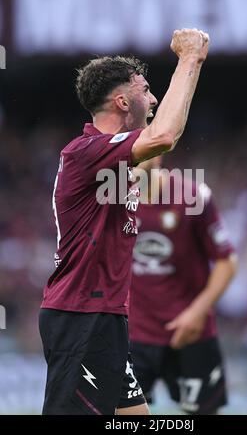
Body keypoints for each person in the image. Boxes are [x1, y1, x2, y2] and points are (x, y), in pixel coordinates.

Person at [39, 28, 210, 415]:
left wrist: (194, 65)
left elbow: (164, 138)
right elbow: (163, 134)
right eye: (146, 90)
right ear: (121, 100)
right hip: (82, 317)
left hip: (105, 318)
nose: (152, 99)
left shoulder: (115, 160)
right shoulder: (87, 152)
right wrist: (187, 59)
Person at [129, 156, 237, 415]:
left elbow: (227, 262)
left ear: (158, 152)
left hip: (191, 332)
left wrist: (197, 312)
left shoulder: (193, 196)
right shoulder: (111, 201)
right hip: (132, 335)